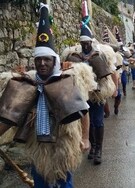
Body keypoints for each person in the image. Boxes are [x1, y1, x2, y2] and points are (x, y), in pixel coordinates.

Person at [0, 3, 90, 187]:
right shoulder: (27, 84)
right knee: (40, 182)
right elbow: (10, 116)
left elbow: (84, 111)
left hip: (62, 143)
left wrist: (85, 138)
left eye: (46, 59)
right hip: (38, 145)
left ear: (54, 61)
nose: (42, 63)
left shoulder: (64, 82)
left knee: (64, 182)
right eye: (38, 59)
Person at [66, 3, 117, 165]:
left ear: (91, 42)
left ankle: (98, 150)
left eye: (87, 42)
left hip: (96, 94)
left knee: (97, 121)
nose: (85, 45)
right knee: (85, 123)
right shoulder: (74, 56)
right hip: (82, 96)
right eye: (83, 43)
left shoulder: (98, 55)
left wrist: (106, 89)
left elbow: (107, 74)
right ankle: (93, 146)